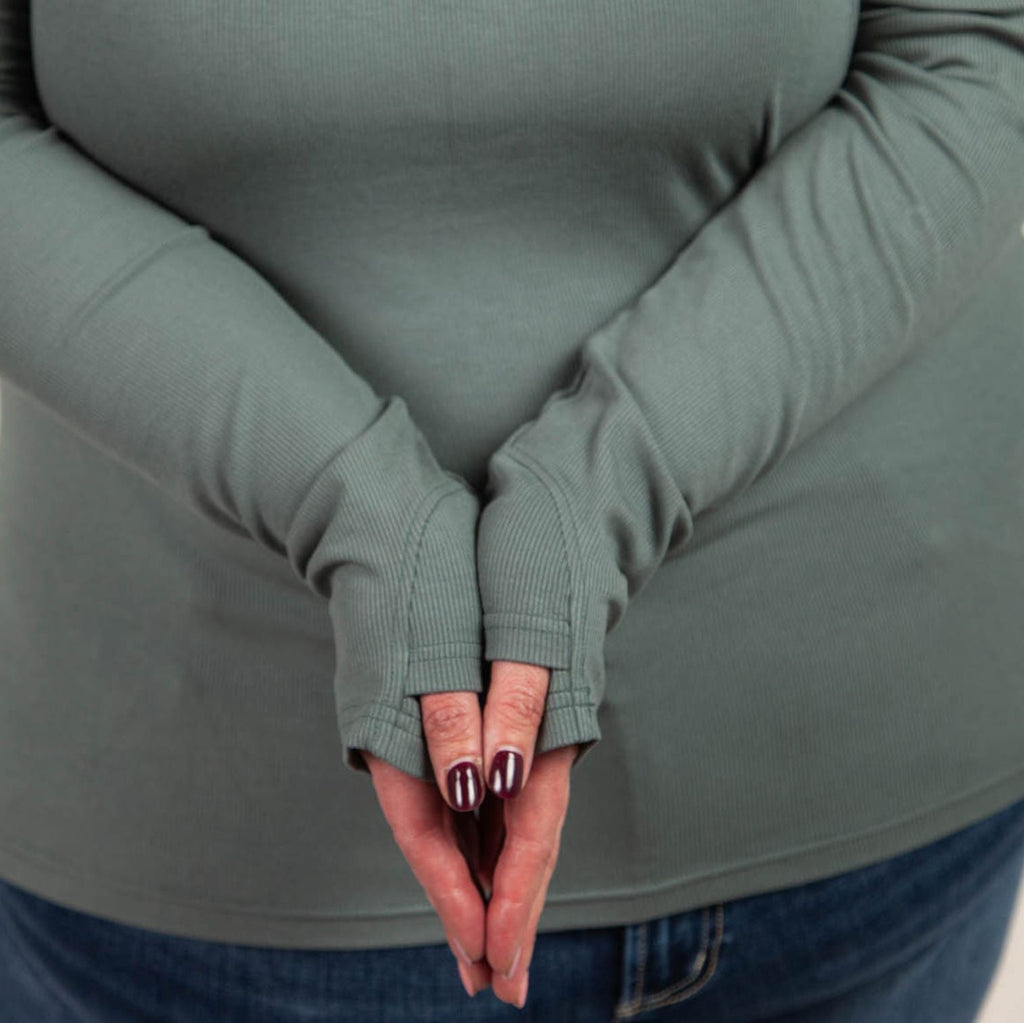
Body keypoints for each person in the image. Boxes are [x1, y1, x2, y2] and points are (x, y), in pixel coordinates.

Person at [1, 0, 1023, 1018]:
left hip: (859, 815)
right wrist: (352, 507)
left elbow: (970, 43)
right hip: (214, 864)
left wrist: (598, 495)